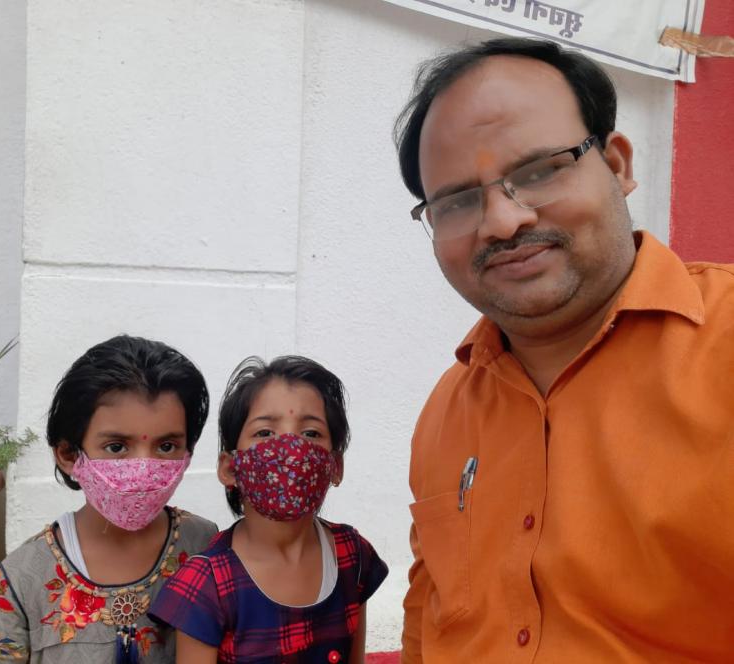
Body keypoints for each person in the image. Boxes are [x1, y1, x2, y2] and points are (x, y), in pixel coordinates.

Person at [394, 37, 734, 662]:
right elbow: (428, 612)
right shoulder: (445, 411)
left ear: (618, 163)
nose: (501, 221)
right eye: (459, 200)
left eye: (538, 171)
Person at [0, 335, 218, 663]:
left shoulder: (206, 546)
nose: (142, 468)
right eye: (116, 447)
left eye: (166, 447)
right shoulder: (24, 576)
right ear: (69, 454)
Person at [149, 356, 388, 663]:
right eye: (265, 433)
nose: (289, 447)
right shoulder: (206, 582)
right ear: (230, 468)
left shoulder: (352, 555)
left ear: (335, 466)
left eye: (311, 433)